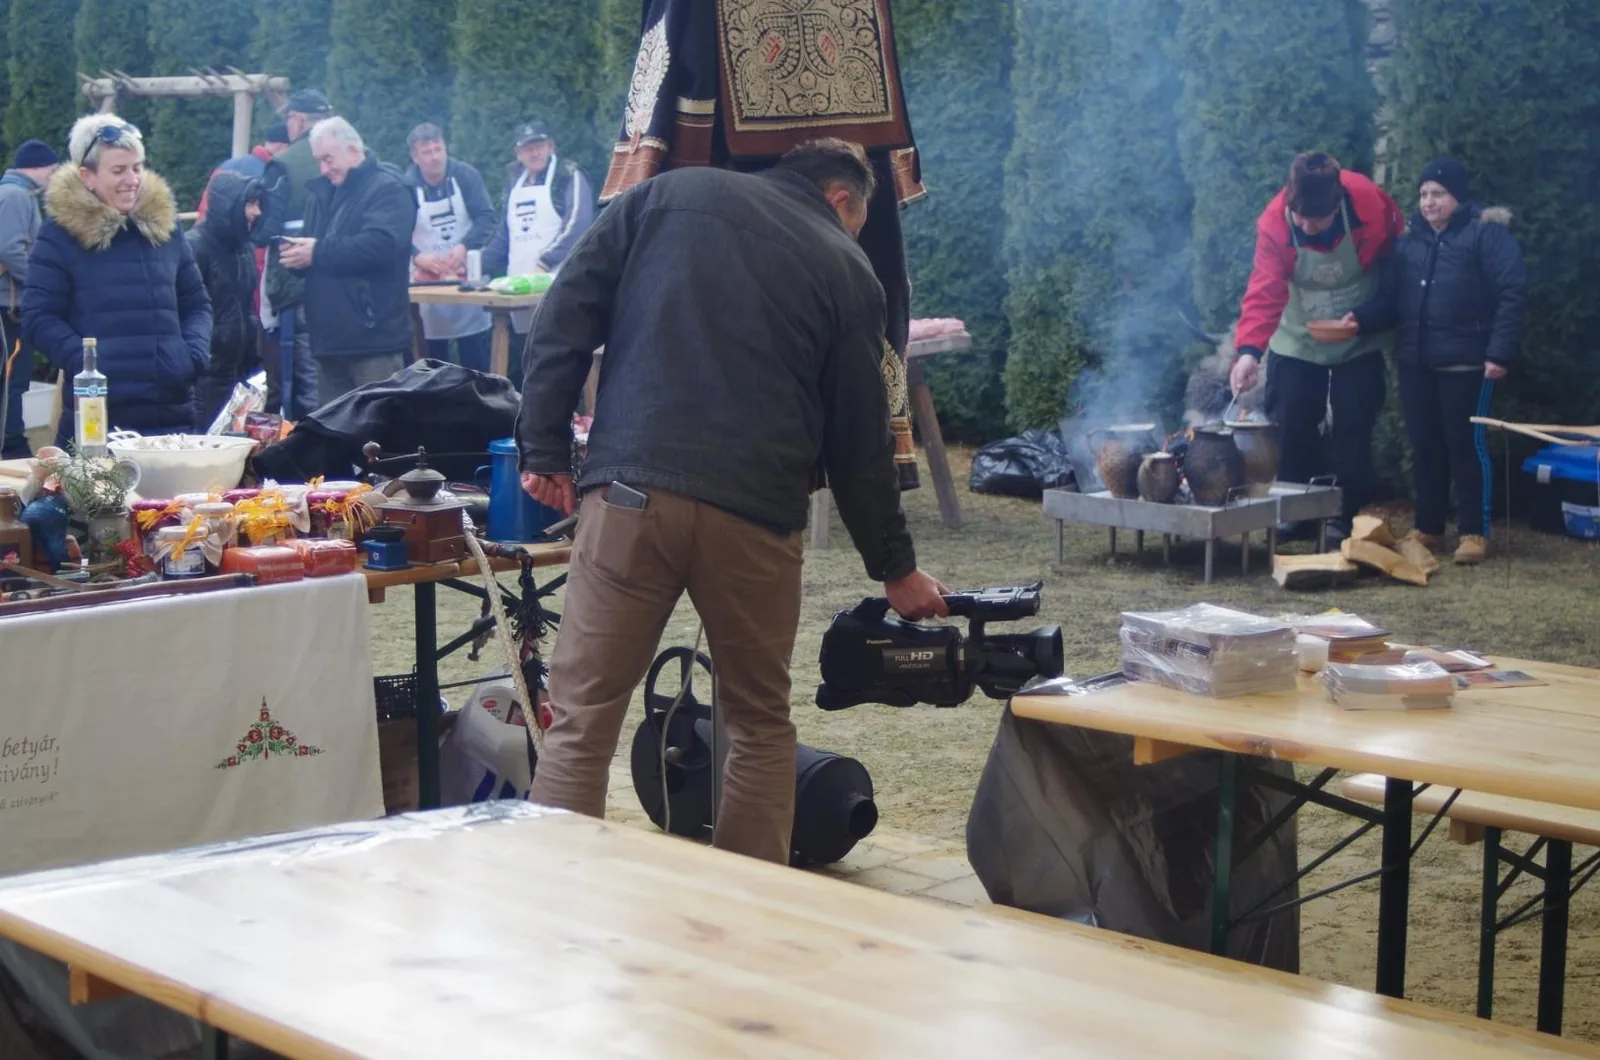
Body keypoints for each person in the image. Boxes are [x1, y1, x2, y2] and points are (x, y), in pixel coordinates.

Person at [517, 138, 949, 865]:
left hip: (629, 497)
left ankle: (555, 912)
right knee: (757, 725)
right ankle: (753, 928)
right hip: (754, 515)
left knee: (581, 721)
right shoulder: (848, 268)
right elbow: (859, 439)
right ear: (841, 200)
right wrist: (895, 568)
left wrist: (543, 450)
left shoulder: (665, 196)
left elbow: (566, 310)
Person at [1346, 159, 1526, 566]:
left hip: (1468, 364)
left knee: (1466, 446)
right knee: (1425, 447)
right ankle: (1428, 527)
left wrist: (1499, 352)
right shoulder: (1409, 242)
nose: (1429, 202)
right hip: (1415, 362)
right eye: (1424, 194)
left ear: (1457, 197)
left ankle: (1473, 532)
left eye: (1438, 194)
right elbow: (1392, 300)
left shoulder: (1487, 236)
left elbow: (1511, 293)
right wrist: (1359, 319)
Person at [1229, 151, 1405, 541]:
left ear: (1337, 203)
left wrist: (1372, 314)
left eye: (1318, 219)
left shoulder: (1370, 203)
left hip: (1358, 332)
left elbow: (1396, 260)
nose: (1307, 226)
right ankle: (1295, 509)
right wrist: (1249, 353)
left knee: (1353, 424)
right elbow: (1265, 289)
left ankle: (1342, 513)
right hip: (1297, 334)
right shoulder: (1275, 222)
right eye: (1300, 217)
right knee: (1291, 420)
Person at [22, 115, 212, 446]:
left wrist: (191, 354)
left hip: (172, 415)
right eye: (118, 170)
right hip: (99, 418)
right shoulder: (60, 235)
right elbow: (39, 318)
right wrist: (90, 366)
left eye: (137, 167)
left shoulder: (165, 230)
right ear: (87, 177)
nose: (132, 179)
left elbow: (197, 303)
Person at [279, 117, 416, 400]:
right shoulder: (321, 192)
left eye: (328, 159)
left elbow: (381, 245)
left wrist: (316, 252)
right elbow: (317, 248)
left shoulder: (388, 189)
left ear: (354, 151)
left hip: (373, 340)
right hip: (328, 340)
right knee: (335, 435)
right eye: (319, 160)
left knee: (379, 432)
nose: (323, 169)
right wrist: (297, 258)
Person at [482, 120, 594, 373]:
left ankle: (571, 413)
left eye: (539, 146)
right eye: (528, 148)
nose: (535, 153)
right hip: (520, 286)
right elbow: (504, 233)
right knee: (527, 356)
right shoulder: (514, 182)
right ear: (518, 153)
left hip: (557, 281)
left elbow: (578, 224)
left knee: (560, 354)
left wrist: (545, 262)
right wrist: (476, 267)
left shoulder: (568, 174)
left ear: (550, 147)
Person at [256, 91, 333, 419]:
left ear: (298, 120)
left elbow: (263, 231)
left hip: (294, 284)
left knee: (303, 378)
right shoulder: (350, 156)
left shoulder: (283, 164)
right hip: (343, 287)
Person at [404, 122, 494, 370]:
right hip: (428, 284)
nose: (434, 157)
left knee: (475, 359)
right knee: (433, 362)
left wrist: (465, 246)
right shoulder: (406, 186)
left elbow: (487, 217)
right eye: (427, 152)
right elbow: (397, 232)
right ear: (415, 157)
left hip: (466, 277)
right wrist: (417, 256)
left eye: (438, 149)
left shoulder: (466, 175)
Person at [188, 171, 264, 427]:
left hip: (238, 372)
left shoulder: (243, 249)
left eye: (257, 204)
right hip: (204, 377)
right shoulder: (195, 247)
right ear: (228, 206)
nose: (256, 212)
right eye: (249, 204)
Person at [0, 139, 59, 459]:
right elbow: (9, 249)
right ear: (39, 167)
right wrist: (40, 283)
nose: (53, 176)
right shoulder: (16, 195)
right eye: (52, 170)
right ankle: (10, 446)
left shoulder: (13, 193)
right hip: (8, 307)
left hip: (9, 303)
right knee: (12, 379)